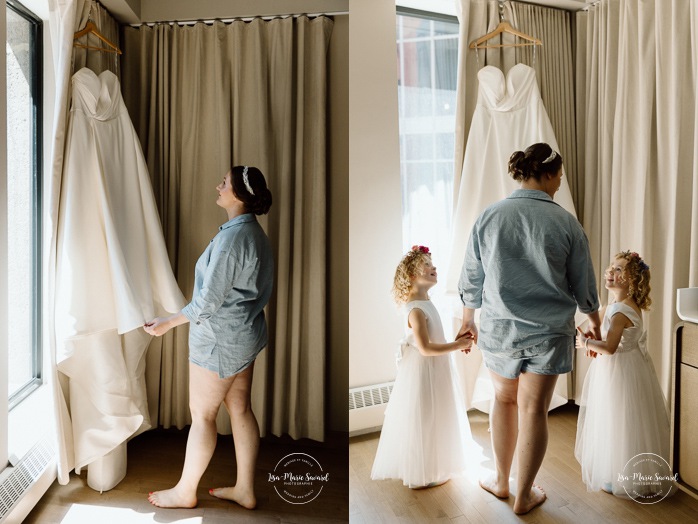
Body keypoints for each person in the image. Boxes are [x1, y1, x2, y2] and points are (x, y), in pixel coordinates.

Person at [457, 143, 601, 514]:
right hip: (549, 333)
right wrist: (594, 319)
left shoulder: (490, 216)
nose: (559, 185)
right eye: (559, 177)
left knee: (503, 401)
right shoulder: (566, 222)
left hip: (500, 328)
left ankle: (501, 482)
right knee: (534, 409)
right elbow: (583, 282)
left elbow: (472, 276)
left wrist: (467, 320)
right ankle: (524, 495)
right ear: (549, 174)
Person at [144, 165, 273, 510]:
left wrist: (167, 323)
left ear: (240, 196)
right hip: (244, 336)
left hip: (219, 341)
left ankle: (186, 491)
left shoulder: (233, 240)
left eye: (225, 184)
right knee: (240, 409)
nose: (218, 186)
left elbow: (206, 303)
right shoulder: (254, 234)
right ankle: (245, 489)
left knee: (202, 415)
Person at [371, 245, 475, 489]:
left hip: (435, 369)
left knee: (435, 415)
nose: (433, 267)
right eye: (426, 265)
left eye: (432, 263)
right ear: (410, 277)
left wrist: (457, 344)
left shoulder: (425, 303)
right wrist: (457, 345)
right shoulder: (416, 309)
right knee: (424, 417)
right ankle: (421, 473)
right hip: (424, 370)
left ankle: (432, 466)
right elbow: (426, 348)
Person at [575, 251, 670, 496]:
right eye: (611, 267)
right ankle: (618, 470)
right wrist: (589, 336)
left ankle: (624, 476)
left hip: (621, 371)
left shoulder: (620, 312)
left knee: (620, 418)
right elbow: (599, 330)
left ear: (632, 280)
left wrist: (586, 344)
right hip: (625, 367)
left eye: (619, 270)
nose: (611, 272)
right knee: (618, 418)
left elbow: (609, 347)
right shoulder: (617, 306)